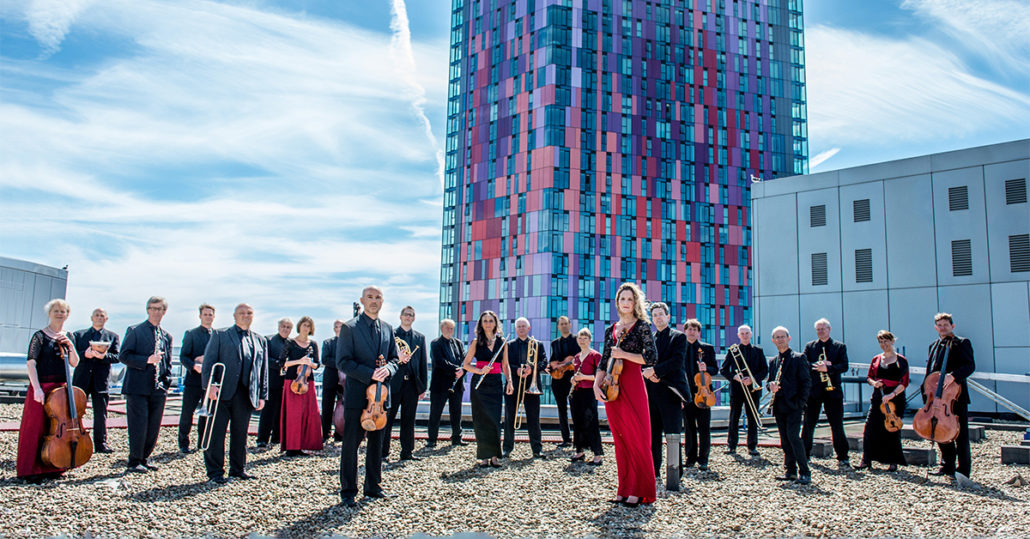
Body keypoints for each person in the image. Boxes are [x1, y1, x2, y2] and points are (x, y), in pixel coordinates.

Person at [593, 282, 657, 507]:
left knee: (637, 438)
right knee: (620, 440)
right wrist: (596, 385)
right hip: (613, 386)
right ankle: (624, 488)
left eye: (630, 299)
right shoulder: (613, 328)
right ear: (618, 303)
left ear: (635, 302)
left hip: (632, 384)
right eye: (622, 299)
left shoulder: (642, 327)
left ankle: (641, 490)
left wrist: (624, 354)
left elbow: (650, 358)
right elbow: (603, 360)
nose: (626, 303)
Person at [335, 286, 400, 507]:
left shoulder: (388, 329)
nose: (374, 301)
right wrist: (370, 373)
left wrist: (389, 370)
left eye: (378, 297)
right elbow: (343, 362)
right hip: (357, 396)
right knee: (351, 444)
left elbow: (394, 359)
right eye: (370, 297)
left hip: (381, 398)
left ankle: (373, 487)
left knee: (377, 444)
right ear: (362, 300)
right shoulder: (349, 327)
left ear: (382, 301)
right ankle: (348, 491)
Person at [200, 304, 268, 483]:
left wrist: (263, 395)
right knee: (217, 433)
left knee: (240, 434)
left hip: (246, 394)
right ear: (234, 315)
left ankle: (238, 469)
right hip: (222, 392)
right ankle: (215, 472)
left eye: (249, 313)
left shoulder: (260, 340)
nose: (246, 316)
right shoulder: (220, 335)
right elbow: (209, 362)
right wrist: (210, 386)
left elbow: (263, 371)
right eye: (242, 313)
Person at [17, 299, 80, 482]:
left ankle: (55, 465)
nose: (59, 314)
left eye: (63, 311)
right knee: (36, 428)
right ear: (49, 313)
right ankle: (31, 470)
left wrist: (71, 345)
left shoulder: (69, 336)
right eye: (56, 311)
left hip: (61, 389)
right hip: (42, 387)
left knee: (58, 429)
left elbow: (74, 363)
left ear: (67, 315)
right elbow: (31, 362)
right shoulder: (40, 336)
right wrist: (36, 388)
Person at [120, 296, 173, 474]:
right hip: (137, 387)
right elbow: (124, 356)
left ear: (164, 312)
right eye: (153, 308)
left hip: (158, 389)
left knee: (153, 427)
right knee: (138, 425)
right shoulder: (135, 330)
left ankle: (144, 458)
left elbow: (168, 363)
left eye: (159, 309)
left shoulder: (167, 336)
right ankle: (134, 460)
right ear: (147, 310)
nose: (156, 312)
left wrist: (166, 383)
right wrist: (146, 360)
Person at [642, 302, 688, 486]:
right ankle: (654, 473)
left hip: (670, 392)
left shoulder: (678, 337)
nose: (658, 318)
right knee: (652, 436)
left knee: (672, 434)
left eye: (661, 314)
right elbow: (643, 361)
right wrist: (649, 373)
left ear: (668, 317)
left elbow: (677, 361)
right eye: (655, 315)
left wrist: (655, 372)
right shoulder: (649, 339)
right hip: (651, 393)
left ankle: (675, 476)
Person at [926, 313, 975, 479]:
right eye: (939, 325)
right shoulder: (933, 345)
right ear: (935, 328)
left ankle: (963, 471)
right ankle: (947, 466)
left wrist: (952, 375)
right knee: (939, 432)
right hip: (937, 398)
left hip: (956, 397)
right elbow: (930, 371)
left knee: (960, 434)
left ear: (952, 326)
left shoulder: (962, 343)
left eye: (945, 325)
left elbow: (970, 366)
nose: (942, 327)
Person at [801, 318, 851, 469]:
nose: (821, 331)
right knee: (809, 424)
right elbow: (803, 364)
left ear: (829, 329)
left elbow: (844, 366)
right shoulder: (810, 346)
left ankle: (843, 457)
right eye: (818, 329)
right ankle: (804, 454)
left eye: (823, 329)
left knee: (836, 425)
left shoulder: (839, 346)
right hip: (814, 391)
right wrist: (817, 366)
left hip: (833, 391)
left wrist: (829, 368)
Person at [463, 310, 510, 468]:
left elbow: (505, 365)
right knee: (481, 420)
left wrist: (509, 381)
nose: (488, 323)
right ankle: (484, 456)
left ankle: (495, 456)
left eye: (491, 320)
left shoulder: (502, 342)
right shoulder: (476, 342)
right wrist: (479, 370)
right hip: (480, 384)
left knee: (495, 420)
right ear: (481, 324)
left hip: (495, 382)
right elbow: (466, 364)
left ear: (496, 323)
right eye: (485, 321)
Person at [857, 330, 908, 472]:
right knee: (870, 428)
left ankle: (893, 461)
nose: (883, 344)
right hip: (878, 397)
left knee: (892, 428)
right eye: (881, 341)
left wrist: (892, 395)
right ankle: (866, 460)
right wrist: (874, 384)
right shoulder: (876, 359)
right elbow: (869, 377)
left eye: (886, 341)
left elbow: (904, 382)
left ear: (892, 341)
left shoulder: (901, 360)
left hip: (895, 398)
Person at [768, 326, 813, 485]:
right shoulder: (773, 361)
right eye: (777, 337)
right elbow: (769, 383)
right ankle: (790, 471)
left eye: (783, 337)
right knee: (785, 439)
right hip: (779, 405)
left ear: (789, 338)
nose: (780, 340)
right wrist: (770, 387)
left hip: (794, 405)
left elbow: (806, 382)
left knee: (794, 437)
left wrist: (800, 403)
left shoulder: (799, 358)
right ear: (773, 341)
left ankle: (805, 472)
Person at [71, 307, 120, 454]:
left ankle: (101, 443)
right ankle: (74, 439)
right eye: (97, 315)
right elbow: (72, 356)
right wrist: (85, 354)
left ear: (106, 319)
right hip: (81, 379)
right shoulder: (78, 335)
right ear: (91, 318)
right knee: (76, 411)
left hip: (101, 381)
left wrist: (103, 357)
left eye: (102, 315)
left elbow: (117, 357)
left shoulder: (112, 337)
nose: (99, 317)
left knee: (100, 413)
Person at [383, 306, 428, 462]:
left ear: (414, 318)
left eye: (411, 315)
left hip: (411, 384)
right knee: (388, 420)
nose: (408, 317)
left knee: (409, 420)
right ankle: (383, 453)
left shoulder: (420, 338)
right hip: (394, 383)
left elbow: (422, 363)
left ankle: (407, 452)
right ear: (400, 317)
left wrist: (423, 387)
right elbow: (386, 358)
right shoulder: (391, 335)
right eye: (406, 315)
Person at [720, 324, 768, 457]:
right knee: (734, 417)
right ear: (738, 336)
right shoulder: (733, 351)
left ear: (751, 334)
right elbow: (723, 370)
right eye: (742, 333)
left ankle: (752, 446)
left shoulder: (758, 351)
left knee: (752, 417)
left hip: (753, 389)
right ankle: (731, 445)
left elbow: (764, 370)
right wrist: (734, 377)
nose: (745, 336)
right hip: (737, 389)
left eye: (747, 333)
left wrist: (753, 379)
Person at [503, 317, 548, 459]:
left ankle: (537, 449)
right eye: (519, 326)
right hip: (514, 385)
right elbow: (506, 363)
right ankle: (507, 448)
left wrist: (532, 368)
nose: (521, 328)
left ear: (529, 328)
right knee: (510, 417)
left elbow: (544, 362)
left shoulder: (538, 344)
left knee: (533, 418)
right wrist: (517, 370)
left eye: (524, 326)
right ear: (515, 329)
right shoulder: (508, 345)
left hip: (532, 385)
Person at [280, 316, 322, 456]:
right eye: (304, 325)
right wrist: (299, 361)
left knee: (308, 413)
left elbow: (317, 364)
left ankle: (304, 445)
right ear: (299, 326)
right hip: (292, 381)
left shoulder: (313, 344)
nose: (306, 328)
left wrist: (310, 364)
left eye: (309, 326)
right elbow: (282, 363)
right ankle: (291, 447)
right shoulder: (290, 343)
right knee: (293, 415)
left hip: (307, 382)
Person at [178, 304, 215, 454]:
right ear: (200, 316)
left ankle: (202, 442)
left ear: (214, 316)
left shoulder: (217, 335)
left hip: (210, 382)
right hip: (193, 380)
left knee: (206, 413)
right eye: (205, 314)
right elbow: (183, 356)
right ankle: (183, 443)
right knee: (187, 412)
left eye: (210, 314)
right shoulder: (191, 334)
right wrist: (194, 365)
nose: (208, 317)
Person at [682, 318, 718, 472]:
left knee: (704, 428)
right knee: (689, 428)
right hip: (686, 393)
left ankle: (703, 459)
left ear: (698, 332)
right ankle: (690, 458)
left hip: (703, 393)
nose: (692, 332)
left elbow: (715, 369)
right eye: (689, 329)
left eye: (695, 329)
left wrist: (706, 368)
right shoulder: (680, 348)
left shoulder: (707, 349)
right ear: (685, 331)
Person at [427, 318, 467, 447]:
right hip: (440, 384)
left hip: (457, 384)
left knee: (456, 412)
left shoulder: (459, 343)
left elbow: (465, 360)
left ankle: (457, 438)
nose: (450, 330)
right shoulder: (435, 343)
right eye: (447, 328)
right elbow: (440, 361)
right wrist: (457, 369)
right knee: (435, 412)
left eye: (452, 328)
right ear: (441, 328)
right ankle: (432, 439)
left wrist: (463, 371)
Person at [569, 327, 603, 466]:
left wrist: (584, 377)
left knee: (591, 421)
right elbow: (577, 373)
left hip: (589, 392)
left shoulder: (595, 355)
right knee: (577, 421)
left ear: (590, 340)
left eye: (585, 338)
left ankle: (597, 454)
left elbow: (601, 375)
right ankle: (579, 450)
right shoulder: (576, 357)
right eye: (580, 338)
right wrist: (574, 379)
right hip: (577, 392)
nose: (582, 341)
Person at [257, 318, 292, 448]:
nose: (285, 329)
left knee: (280, 412)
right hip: (271, 381)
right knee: (268, 412)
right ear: (278, 327)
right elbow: (265, 359)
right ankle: (262, 439)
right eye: (283, 326)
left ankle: (277, 438)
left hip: (285, 382)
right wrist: (281, 365)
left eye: (288, 327)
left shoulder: (291, 343)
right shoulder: (269, 340)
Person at [547, 316, 576, 447]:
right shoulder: (554, 343)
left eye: (566, 323)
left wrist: (567, 364)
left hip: (573, 379)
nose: (564, 326)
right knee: (561, 409)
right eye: (561, 324)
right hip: (558, 379)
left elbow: (579, 359)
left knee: (576, 408)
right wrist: (550, 366)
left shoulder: (577, 340)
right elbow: (552, 360)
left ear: (570, 325)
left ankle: (579, 439)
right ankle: (566, 439)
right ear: (558, 327)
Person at [321, 319, 345, 444]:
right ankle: (325, 433)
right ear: (334, 328)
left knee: (342, 408)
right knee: (327, 407)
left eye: (341, 326)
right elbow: (324, 359)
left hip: (344, 382)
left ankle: (339, 433)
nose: (339, 328)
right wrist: (340, 364)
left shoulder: (347, 344)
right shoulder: (328, 343)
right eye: (337, 326)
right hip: (330, 379)